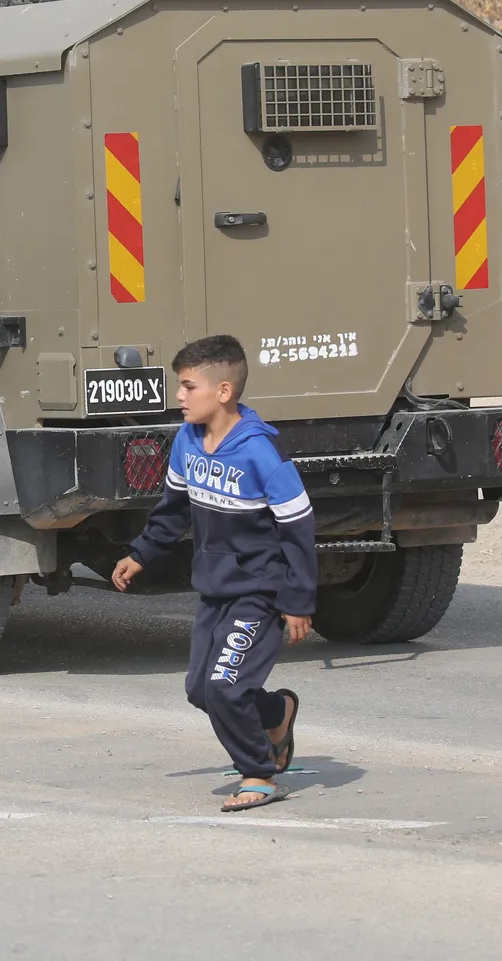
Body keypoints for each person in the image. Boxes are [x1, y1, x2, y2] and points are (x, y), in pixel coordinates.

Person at [112, 335, 316, 812]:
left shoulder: (261, 452)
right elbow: (174, 509)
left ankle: (260, 774)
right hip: (214, 590)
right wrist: (141, 553)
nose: (178, 396)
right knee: (201, 691)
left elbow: (299, 526)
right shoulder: (187, 441)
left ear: (223, 391)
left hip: (260, 593)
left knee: (226, 687)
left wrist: (298, 600)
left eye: (187, 386)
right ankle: (278, 713)